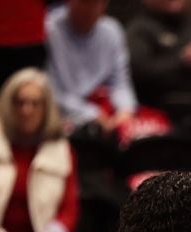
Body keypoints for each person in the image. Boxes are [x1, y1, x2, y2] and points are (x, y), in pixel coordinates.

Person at [0, 68, 78, 232]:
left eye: (35, 103)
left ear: (46, 108)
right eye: (20, 102)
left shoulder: (62, 150)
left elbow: (69, 210)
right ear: (9, 105)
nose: (27, 110)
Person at [45, 0, 138, 135]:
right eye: (85, 2)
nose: (91, 8)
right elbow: (51, 91)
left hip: (105, 114)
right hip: (61, 116)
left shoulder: (112, 31)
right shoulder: (49, 29)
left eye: (97, 3)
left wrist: (125, 110)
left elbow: (120, 82)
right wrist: (92, 114)